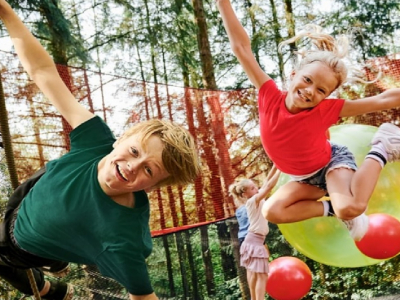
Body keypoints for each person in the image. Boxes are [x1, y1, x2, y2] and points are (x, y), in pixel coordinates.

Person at [0, 1, 201, 299]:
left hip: (25, 244)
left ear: (154, 185)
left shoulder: (122, 239)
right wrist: (5, 12)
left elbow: (143, 296)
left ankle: (50, 283)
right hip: (33, 191)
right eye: (134, 151)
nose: (133, 165)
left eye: (149, 169)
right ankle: (58, 262)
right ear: (121, 138)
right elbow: (43, 71)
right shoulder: (95, 138)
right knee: (39, 188)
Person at [217, 0, 400, 242]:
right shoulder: (269, 95)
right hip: (305, 179)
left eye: (321, 90)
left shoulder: (325, 110)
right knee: (271, 210)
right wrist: (222, 3)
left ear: (327, 96)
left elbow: (381, 100)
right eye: (307, 80)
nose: (310, 91)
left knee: (351, 208)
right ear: (293, 75)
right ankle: (333, 209)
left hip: (332, 163)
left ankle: (382, 147)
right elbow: (241, 48)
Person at [229, 166, 280, 300]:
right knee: (261, 275)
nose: (256, 188)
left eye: (255, 186)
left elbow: (267, 181)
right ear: (245, 194)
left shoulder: (257, 197)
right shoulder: (252, 201)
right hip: (254, 241)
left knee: (259, 275)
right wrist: (282, 169)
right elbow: (268, 186)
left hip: (254, 240)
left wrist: (276, 166)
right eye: (252, 188)